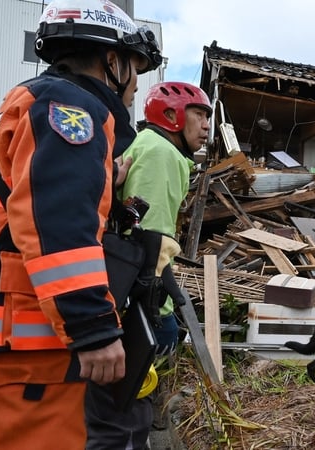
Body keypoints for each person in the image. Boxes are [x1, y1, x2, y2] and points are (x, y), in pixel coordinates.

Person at [0, 0, 161, 448]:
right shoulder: (72, 109)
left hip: (15, 345)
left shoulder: (30, 104)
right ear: (112, 61)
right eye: (135, 69)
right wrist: (93, 328)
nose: (137, 86)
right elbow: (56, 223)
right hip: (25, 352)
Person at [84, 81, 212, 449]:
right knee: (127, 406)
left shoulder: (150, 146)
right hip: (137, 295)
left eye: (208, 117)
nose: (206, 125)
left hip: (121, 286)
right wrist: (157, 306)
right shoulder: (161, 153)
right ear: (171, 116)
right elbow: (148, 238)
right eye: (199, 114)